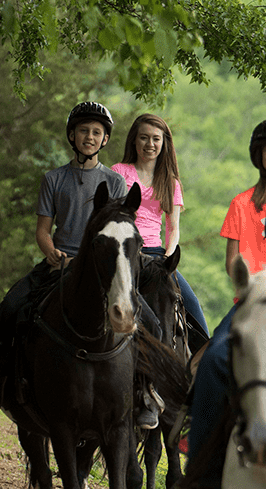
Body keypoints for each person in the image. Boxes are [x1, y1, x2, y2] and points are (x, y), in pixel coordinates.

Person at [126, 116, 266, 489]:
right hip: (251, 301)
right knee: (210, 361)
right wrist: (259, 284)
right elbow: (234, 262)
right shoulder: (243, 203)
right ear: (259, 157)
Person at [0, 102, 128, 413]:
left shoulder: (115, 183)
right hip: (58, 263)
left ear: (105, 140)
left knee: (144, 317)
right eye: (84, 131)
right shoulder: (53, 178)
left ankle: (143, 392)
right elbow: (43, 230)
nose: (90, 137)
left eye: (97, 132)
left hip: (99, 269)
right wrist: (52, 253)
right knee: (10, 307)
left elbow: (116, 231)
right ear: (72, 135)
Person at [111, 114, 210, 341]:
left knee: (191, 304)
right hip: (125, 252)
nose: (150, 144)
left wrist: (167, 259)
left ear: (164, 143)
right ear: (134, 141)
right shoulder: (119, 172)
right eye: (144, 138)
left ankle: (202, 363)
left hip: (157, 255)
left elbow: (173, 228)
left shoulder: (170, 182)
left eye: (156, 139)